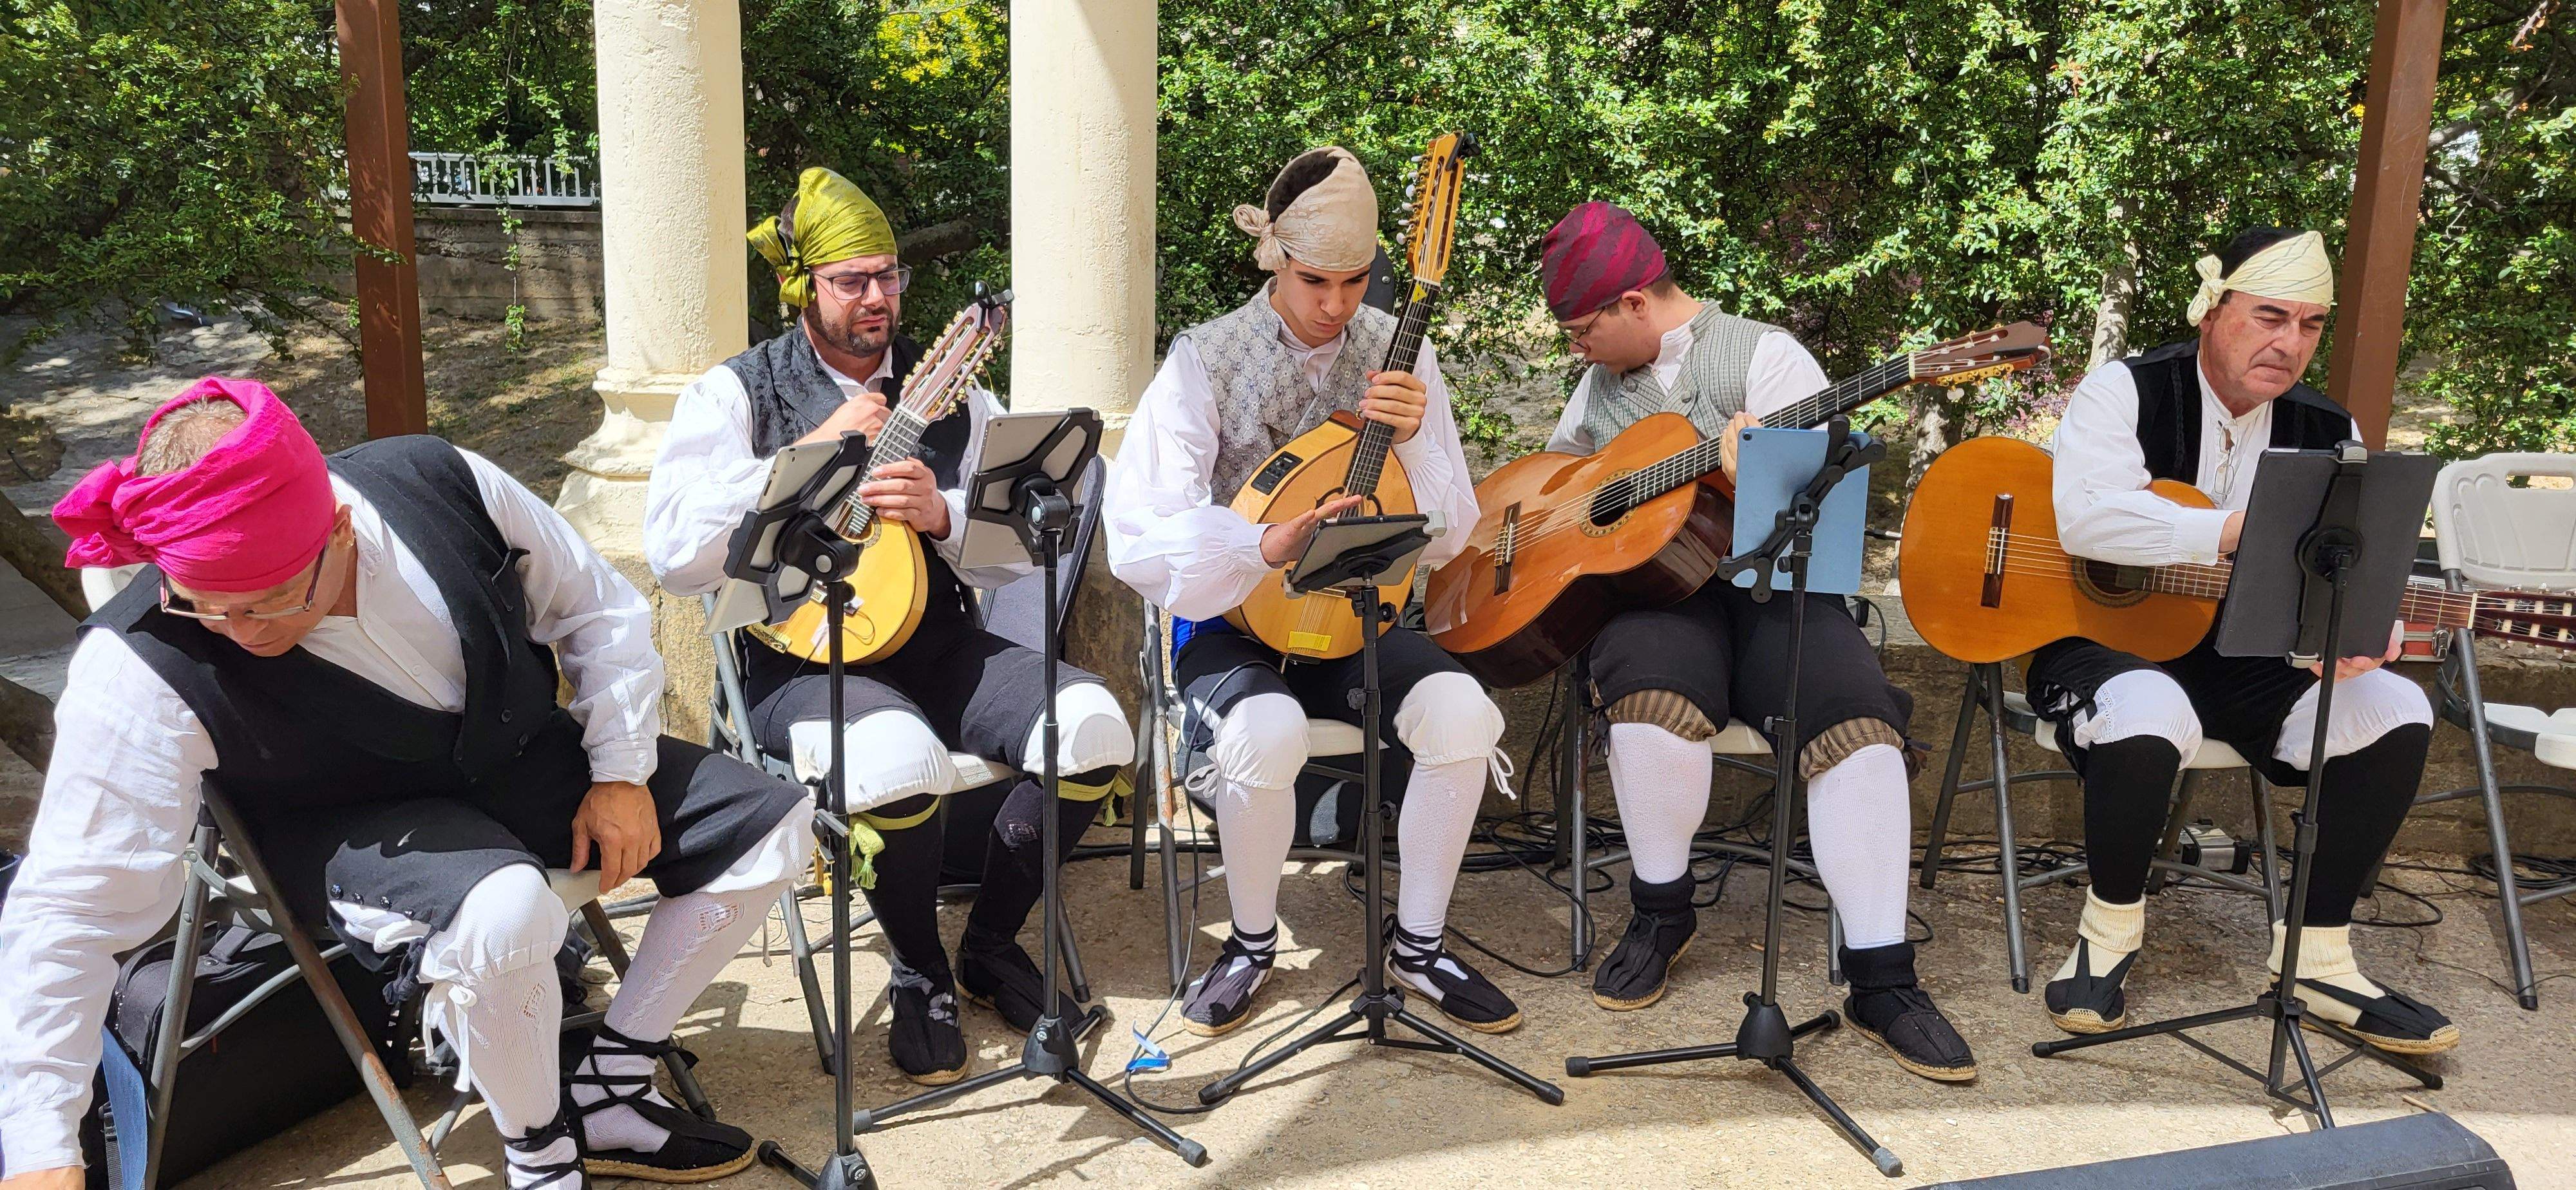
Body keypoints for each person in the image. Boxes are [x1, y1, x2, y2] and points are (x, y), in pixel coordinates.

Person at [0, 379, 801, 1190]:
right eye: (209, 607)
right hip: (344, 823)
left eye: (274, 599)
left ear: (341, 531)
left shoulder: (438, 478)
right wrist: (42, 1146)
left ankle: (608, 1085)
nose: (243, 633)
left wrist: (622, 772)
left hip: (520, 758)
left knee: (769, 823)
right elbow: (73, 903)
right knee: (505, 910)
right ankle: (540, 1151)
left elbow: (600, 610)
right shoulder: (136, 664)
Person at [644, 167, 1133, 1086]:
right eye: (852, 281)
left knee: (1098, 733)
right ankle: (919, 967)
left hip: (939, 644)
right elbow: (673, 554)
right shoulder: (737, 394)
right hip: (799, 664)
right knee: (897, 762)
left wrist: (941, 514)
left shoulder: (954, 395)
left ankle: (988, 942)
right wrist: (811, 450)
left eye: (890, 276)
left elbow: (1004, 558)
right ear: (803, 292)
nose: (878, 299)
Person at [1538, 202, 1976, 1082]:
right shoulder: (1595, 392)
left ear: (1632, 302)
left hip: (1777, 593)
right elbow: (1556, 495)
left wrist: (1760, 472)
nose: (1573, 348)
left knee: (1858, 727)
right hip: (1659, 600)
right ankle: (1663, 912)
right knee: (1649, 705)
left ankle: (1882, 978)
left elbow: (1815, 485)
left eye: (1582, 328)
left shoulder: (1767, 355)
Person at [1105, 146, 1517, 1037]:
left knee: (1462, 714)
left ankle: (1419, 944)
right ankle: (1251, 942)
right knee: (1266, 728)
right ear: (1275, 259)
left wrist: (1414, 445)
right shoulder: (1203, 359)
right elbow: (1138, 531)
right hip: (1235, 625)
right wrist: (1264, 542)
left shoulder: (1404, 353)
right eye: (1315, 281)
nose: (1335, 305)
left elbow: (1451, 526)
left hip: (1359, 617)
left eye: (1355, 282)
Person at [2030, 227, 2455, 1055]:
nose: (2287, 343)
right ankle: (2106, 938)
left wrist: (2363, 631)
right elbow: (2089, 515)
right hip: (2100, 637)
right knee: (2150, 707)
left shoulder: (2327, 425)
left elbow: (2348, 564)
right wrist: (2236, 531)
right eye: (2268, 316)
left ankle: (2317, 957)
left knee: (2393, 706)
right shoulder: (2126, 390)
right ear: (2211, 310)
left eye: (2307, 326)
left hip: (2247, 654)